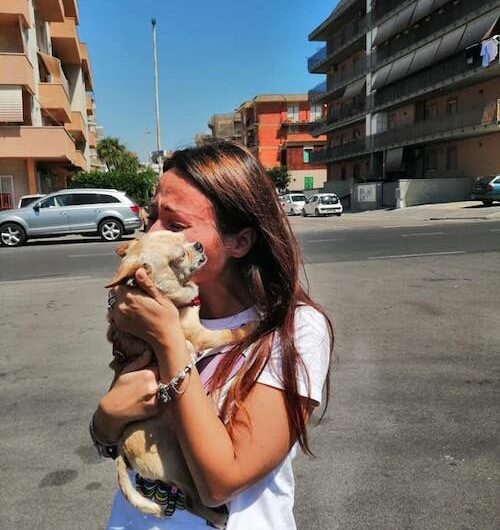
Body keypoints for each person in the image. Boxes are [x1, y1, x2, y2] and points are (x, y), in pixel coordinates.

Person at [92, 140, 333, 530]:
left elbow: (220, 484)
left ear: (239, 241)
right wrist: (104, 421)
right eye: (152, 216)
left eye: (175, 224)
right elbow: (122, 434)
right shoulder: (158, 309)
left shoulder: (293, 330)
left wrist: (170, 341)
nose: (153, 233)